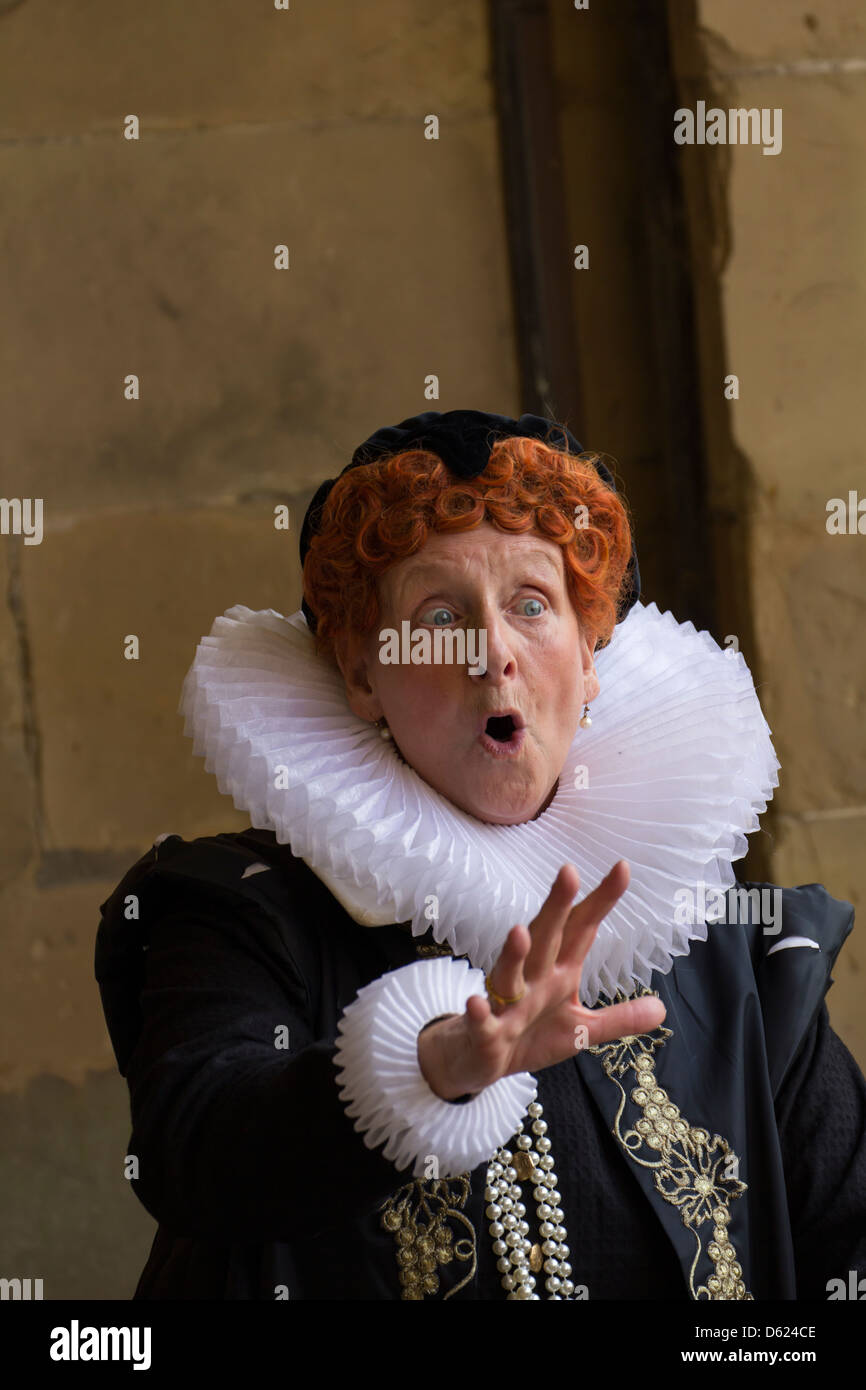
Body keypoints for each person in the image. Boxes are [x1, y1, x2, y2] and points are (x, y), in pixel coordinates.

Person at [95, 409, 866, 1300]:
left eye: (533, 606)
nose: (493, 655)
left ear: (589, 649)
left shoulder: (733, 951)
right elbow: (195, 1153)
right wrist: (425, 1071)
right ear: (359, 670)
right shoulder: (242, 912)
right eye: (438, 617)